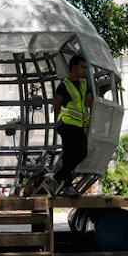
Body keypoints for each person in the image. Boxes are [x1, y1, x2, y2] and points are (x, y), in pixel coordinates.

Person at [48, 55, 93, 196]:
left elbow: (88, 100)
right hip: (66, 124)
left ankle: (56, 178)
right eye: (82, 67)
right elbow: (57, 104)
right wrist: (57, 122)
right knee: (71, 155)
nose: (84, 70)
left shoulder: (84, 83)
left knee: (80, 154)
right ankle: (67, 187)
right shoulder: (64, 85)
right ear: (74, 67)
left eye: (85, 67)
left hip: (78, 125)